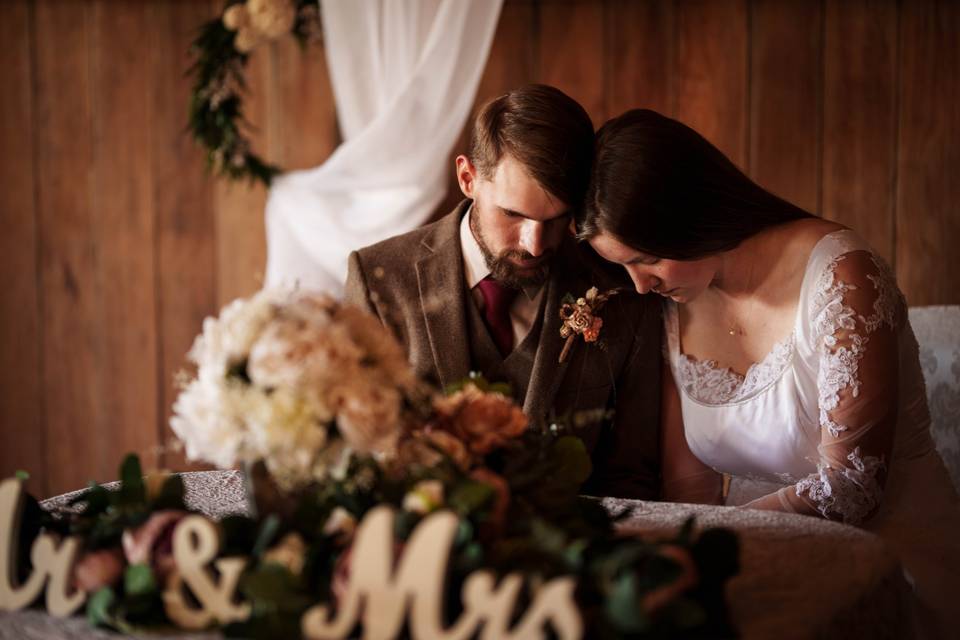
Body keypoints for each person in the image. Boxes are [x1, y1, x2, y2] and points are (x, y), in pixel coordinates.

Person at [576, 107, 960, 637]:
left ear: (688, 214)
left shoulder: (843, 275)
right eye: (623, 267)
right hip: (757, 564)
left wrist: (715, 542)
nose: (640, 285)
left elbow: (852, 486)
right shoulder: (674, 303)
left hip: (893, 564)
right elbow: (691, 480)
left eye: (646, 258)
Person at [343, 85, 668, 499]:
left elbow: (631, 478)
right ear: (467, 178)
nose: (535, 244)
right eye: (513, 214)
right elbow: (357, 462)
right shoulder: (378, 279)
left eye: (558, 219)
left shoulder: (622, 293)